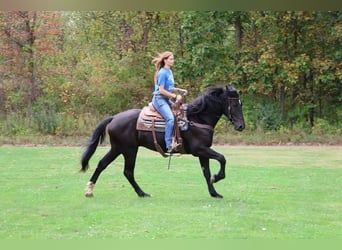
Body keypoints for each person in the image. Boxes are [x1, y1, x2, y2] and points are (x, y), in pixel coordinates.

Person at [151, 51, 187, 153]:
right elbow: (161, 90)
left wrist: (179, 90)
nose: (173, 61)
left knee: (181, 111)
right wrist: (175, 96)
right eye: (171, 59)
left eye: (173, 59)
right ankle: (169, 145)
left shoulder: (169, 71)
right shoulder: (162, 72)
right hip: (159, 99)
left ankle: (177, 139)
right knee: (170, 118)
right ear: (165, 60)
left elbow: (169, 87)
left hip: (166, 99)